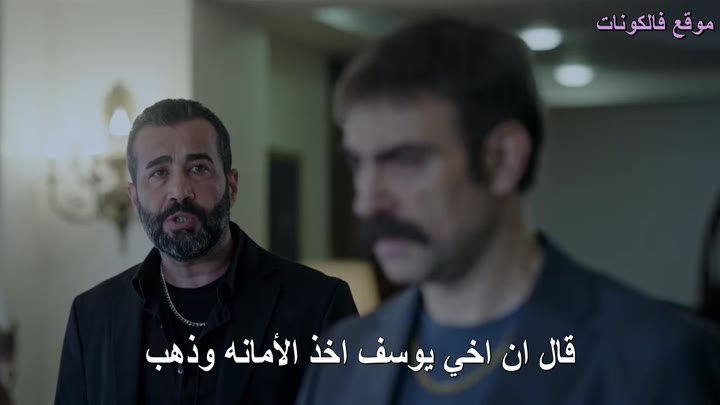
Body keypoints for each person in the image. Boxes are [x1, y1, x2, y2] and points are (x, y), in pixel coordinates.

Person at [296, 17, 720, 404]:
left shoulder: (656, 359)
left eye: (405, 161)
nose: (367, 204)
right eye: (358, 164)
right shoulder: (343, 357)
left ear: (502, 159)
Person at [54, 99, 358, 405]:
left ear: (232, 186)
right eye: (158, 173)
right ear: (134, 198)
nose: (179, 192)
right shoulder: (92, 317)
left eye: (198, 168)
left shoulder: (319, 305)